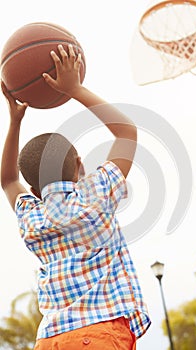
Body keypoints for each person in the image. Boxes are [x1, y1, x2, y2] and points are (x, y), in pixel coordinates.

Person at [1, 44, 151, 349]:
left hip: (50, 340)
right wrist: (74, 89)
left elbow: (7, 180)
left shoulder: (32, 217)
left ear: (32, 191)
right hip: (99, 334)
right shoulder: (97, 194)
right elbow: (126, 131)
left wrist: (15, 120)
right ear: (80, 166)